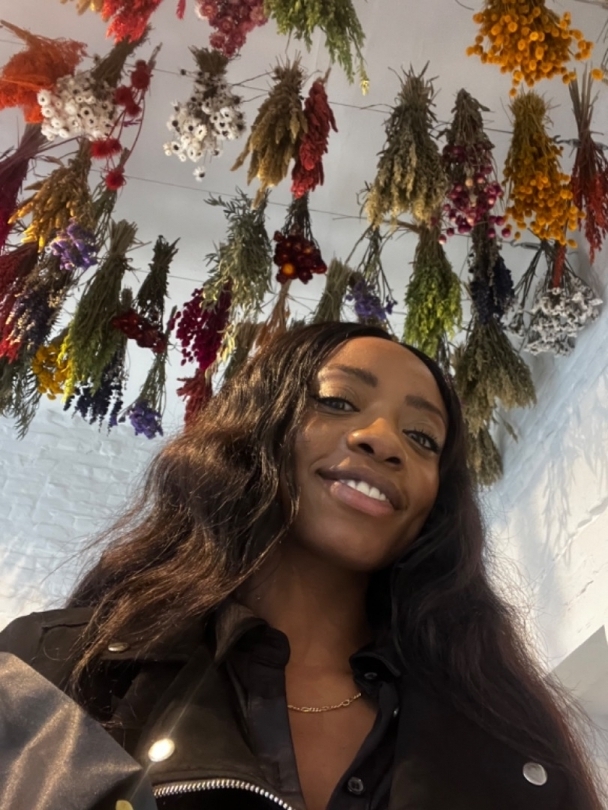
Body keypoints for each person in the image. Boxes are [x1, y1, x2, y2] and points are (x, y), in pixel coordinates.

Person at [0, 321, 605, 810]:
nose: (383, 439)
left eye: (423, 437)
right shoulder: (58, 668)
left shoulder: (508, 743)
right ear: (257, 428)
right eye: (339, 401)